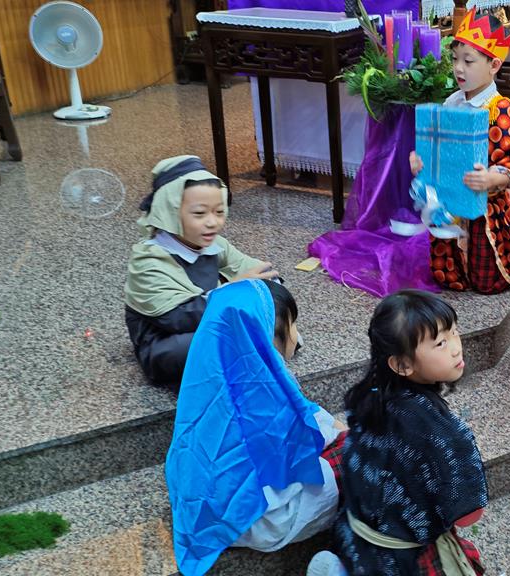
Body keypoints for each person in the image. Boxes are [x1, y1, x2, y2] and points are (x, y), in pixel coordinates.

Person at [165, 279, 345, 576]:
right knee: (359, 456)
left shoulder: (211, 372)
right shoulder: (259, 388)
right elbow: (304, 439)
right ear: (268, 335)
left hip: (205, 507)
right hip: (259, 518)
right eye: (293, 324)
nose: (297, 335)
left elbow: (302, 413)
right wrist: (343, 434)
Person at [332, 290, 488, 575]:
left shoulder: (371, 393)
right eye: (440, 343)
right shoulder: (447, 435)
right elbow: (468, 515)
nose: (456, 348)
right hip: (402, 559)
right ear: (402, 364)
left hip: (354, 531)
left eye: (454, 332)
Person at [409, 9, 510, 294]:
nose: (458, 68)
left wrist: (492, 178)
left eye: (468, 61)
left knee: (485, 280)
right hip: (450, 199)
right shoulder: (452, 102)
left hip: (485, 209)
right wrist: (422, 161)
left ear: (494, 65)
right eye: (455, 59)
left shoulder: (501, 110)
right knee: (448, 275)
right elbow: (437, 148)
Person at [124, 155, 278, 387]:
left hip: (210, 322)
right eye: (199, 213)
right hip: (167, 341)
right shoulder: (149, 258)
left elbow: (254, 268)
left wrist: (271, 289)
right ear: (170, 212)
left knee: (259, 323)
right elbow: (176, 319)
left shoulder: (215, 244)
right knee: (203, 344)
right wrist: (234, 292)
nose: (212, 222)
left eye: (219, 212)